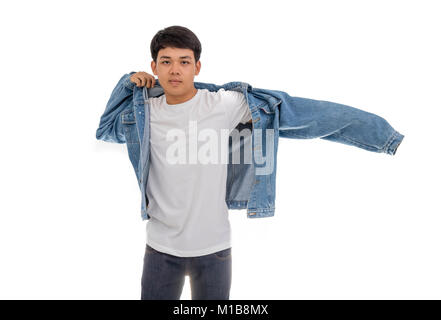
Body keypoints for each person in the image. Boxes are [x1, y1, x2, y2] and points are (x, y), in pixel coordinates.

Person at [132, 25, 252, 300]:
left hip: (214, 248)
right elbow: (104, 129)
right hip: (161, 247)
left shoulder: (222, 105)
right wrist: (127, 82)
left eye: (184, 62)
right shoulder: (144, 113)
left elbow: (280, 109)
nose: (175, 70)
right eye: (166, 62)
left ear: (197, 67)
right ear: (154, 67)